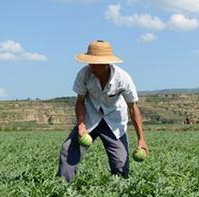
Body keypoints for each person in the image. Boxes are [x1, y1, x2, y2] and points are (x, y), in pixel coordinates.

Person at [57, 40, 148, 182]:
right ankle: (62, 186)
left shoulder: (123, 78)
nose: (91, 66)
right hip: (90, 118)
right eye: (90, 62)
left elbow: (133, 107)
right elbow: (80, 102)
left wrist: (141, 139)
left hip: (114, 121)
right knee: (68, 149)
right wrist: (81, 125)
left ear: (106, 64)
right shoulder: (84, 74)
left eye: (95, 63)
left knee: (120, 162)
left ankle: (120, 192)